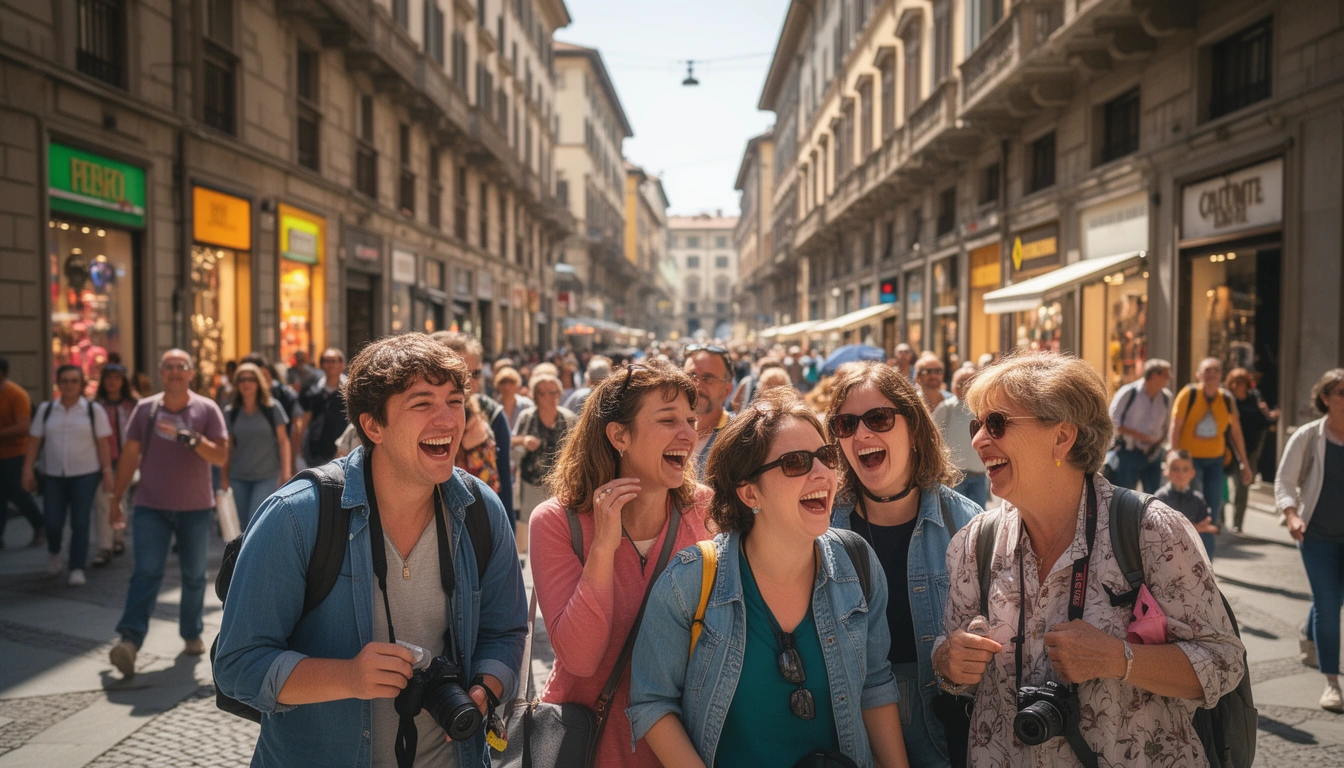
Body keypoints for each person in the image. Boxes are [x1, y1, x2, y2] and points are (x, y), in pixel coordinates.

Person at [214, 333, 527, 767]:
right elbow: (238, 664)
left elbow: (505, 633)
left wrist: (484, 689)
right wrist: (348, 677)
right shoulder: (296, 517)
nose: (448, 421)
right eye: (422, 404)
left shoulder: (481, 510)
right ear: (372, 425)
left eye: (455, 402)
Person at [934, 352, 1245, 767]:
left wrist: (1118, 659)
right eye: (977, 425)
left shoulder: (1151, 530)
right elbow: (947, 665)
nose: (977, 441)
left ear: (1063, 437)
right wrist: (950, 660)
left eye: (997, 423)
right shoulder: (974, 543)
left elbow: (1224, 663)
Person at [629, 388, 909, 768]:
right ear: (749, 493)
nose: (822, 472)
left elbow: (875, 686)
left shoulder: (855, 562)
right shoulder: (689, 582)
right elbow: (652, 702)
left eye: (826, 457)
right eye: (795, 462)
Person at [529, 360, 713, 767]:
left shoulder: (704, 510)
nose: (689, 433)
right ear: (619, 435)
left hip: (682, 749)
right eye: (668, 420)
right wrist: (603, 548)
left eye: (690, 419)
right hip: (586, 748)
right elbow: (579, 658)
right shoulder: (557, 522)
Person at [826, 361, 981, 766]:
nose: (862, 434)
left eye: (878, 418)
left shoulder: (966, 524)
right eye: (846, 424)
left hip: (944, 733)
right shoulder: (818, 528)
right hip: (844, 731)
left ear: (913, 427)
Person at [107, 349, 229, 674]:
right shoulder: (145, 410)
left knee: (193, 575)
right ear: (161, 373)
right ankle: (129, 640)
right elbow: (130, 455)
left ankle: (191, 632)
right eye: (169, 367)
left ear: (191, 373)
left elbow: (220, 456)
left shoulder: (207, 409)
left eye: (181, 367)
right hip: (151, 506)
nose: (175, 372)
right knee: (147, 571)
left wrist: (195, 441)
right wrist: (116, 498)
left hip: (196, 507)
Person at [1275, 368, 1344, 712]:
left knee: (1332, 599)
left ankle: (1308, 630)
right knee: (1330, 606)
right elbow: (1284, 481)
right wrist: (1291, 515)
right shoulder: (1308, 436)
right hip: (1315, 535)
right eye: (1342, 392)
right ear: (1326, 398)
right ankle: (1332, 682)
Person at [22, 365, 114, 586]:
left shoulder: (93, 410)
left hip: (86, 474)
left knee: (80, 523)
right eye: (65, 380)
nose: (69, 385)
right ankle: (55, 551)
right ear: (58, 384)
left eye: (74, 381)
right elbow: (34, 441)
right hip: (53, 475)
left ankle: (76, 567)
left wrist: (107, 472)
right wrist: (27, 470)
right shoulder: (46, 410)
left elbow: (103, 444)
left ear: (81, 384)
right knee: (52, 522)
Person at [1168, 357, 1253, 558]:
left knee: (1212, 512)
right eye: (1207, 370)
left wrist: (1244, 463)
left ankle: (1207, 561)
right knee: (1193, 509)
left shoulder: (1226, 399)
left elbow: (1236, 432)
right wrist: (1173, 457)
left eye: (1216, 370)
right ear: (1199, 375)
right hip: (1190, 462)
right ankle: (1188, 556)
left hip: (1215, 461)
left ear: (1221, 375)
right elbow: (1176, 426)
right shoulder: (1188, 394)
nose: (1212, 374)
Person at [221, 362, 292, 531]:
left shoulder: (272, 408)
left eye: (251, 379)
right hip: (238, 477)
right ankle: (240, 558)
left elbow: (283, 441)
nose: (246, 383)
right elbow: (227, 448)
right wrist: (223, 478)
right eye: (242, 379)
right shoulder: (231, 412)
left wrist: (286, 473)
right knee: (240, 528)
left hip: (266, 476)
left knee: (257, 522)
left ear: (259, 382)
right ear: (236, 384)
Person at [512, 371, 574, 554]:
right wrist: (523, 442)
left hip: (562, 485)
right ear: (535, 396)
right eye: (545, 393)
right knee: (533, 530)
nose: (551, 397)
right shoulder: (527, 417)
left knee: (560, 531)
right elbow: (511, 444)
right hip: (532, 483)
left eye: (555, 392)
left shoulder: (569, 419)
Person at [91, 363, 137, 566]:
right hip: (102, 460)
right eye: (108, 378)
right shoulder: (94, 406)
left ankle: (118, 537)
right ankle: (105, 546)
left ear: (123, 381)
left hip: (128, 458)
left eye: (117, 378)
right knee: (104, 500)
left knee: (121, 497)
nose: (112, 382)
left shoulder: (133, 404)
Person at [1106, 359, 1173, 493]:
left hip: (1153, 455)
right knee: (1125, 497)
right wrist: (1142, 437)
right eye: (1165, 374)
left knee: (1154, 498)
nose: (1169, 378)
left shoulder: (1166, 397)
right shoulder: (1128, 393)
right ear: (1154, 375)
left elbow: (1167, 425)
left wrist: (1160, 443)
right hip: (1128, 454)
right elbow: (1112, 422)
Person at [0, 356, 46, 550]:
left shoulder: (16, 394)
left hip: (16, 453)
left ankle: (40, 525)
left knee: (19, 493)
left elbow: (24, 427)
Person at [1225, 367, 1278, 532]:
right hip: (1227, 449)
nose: (1237, 385)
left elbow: (1267, 423)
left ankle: (1237, 523)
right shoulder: (1227, 399)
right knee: (1224, 485)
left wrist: (1270, 415)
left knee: (1243, 486)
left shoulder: (1255, 399)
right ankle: (1219, 520)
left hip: (1250, 450)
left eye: (1240, 382)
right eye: (1234, 382)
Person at [933, 367, 989, 509]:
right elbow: (933, 438)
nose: (962, 386)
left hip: (979, 476)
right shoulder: (946, 408)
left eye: (968, 382)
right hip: (954, 477)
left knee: (979, 517)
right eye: (959, 382)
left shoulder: (985, 408)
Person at [1154, 450, 1220, 560]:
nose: (1180, 473)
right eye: (1175, 469)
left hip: (1191, 551)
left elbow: (1212, 528)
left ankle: (1206, 568)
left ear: (1192, 473)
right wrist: (1194, 527)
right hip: (1167, 551)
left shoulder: (1197, 499)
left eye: (1185, 469)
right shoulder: (1161, 497)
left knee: (1206, 538)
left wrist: (1207, 526)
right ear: (1166, 471)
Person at [683, 343, 734, 480]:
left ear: (727, 390)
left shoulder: (739, 436)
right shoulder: (664, 429)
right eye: (691, 375)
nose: (697, 385)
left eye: (708, 378)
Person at [296, 348, 350, 468]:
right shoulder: (312, 392)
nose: (330, 365)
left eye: (333, 361)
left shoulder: (351, 391)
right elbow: (303, 422)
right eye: (326, 361)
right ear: (321, 365)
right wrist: (298, 447)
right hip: (316, 453)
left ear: (342, 364)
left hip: (344, 453)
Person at [454, 395, 500, 493]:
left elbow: (468, 443)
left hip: (478, 475)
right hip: (482, 480)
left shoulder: (475, 425)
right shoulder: (480, 422)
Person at [492, 366, 533, 430]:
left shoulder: (527, 405)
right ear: (497, 385)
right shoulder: (492, 407)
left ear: (518, 385)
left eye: (511, 382)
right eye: (503, 382)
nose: (507, 387)